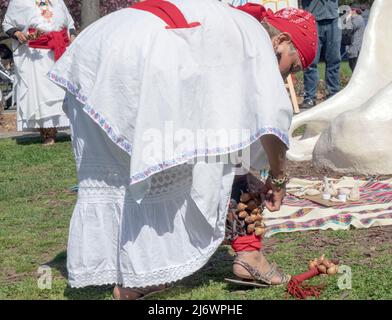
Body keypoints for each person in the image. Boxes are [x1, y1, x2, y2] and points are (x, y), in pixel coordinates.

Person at [49, 0, 317, 299]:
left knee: (136, 167)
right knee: (173, 161)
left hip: (97, 46)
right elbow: (272, 121)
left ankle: (143, 276)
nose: (285, 77)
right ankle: (238, 258)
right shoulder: (254, 37)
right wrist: (278, 177)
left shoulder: (230, 28)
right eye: (290, 66)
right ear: (282, 40)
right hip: (146, 53)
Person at [2, 0, 76, 145]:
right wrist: (17, 33)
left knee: (63, 91)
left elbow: (70, 23)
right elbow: (8, 24)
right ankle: (48, 133)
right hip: (36, 55)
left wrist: (72, 36)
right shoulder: (19, 2)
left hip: (60, 50)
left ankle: (75, 127)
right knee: (42, 93)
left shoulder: (57, 1)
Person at [301, 0, 341, 109]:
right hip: (311, 19)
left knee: (334, 59)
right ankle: (309, 97)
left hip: (333, 18)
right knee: (311, 61)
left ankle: (334, 94)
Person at [346, 4, 366, 72]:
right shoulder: (357, 19)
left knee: (355, 71)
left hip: (356, 51)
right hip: (354, 50)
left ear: (354, 11)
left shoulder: (358, 19)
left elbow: (350, 28)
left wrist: (348, 17)